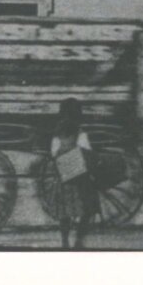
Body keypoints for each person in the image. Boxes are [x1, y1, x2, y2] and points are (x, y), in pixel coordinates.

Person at [49, 98, 99, 250]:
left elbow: (53, 154)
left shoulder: (57, 135)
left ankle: (64, 241)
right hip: (80, 179)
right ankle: (79, 240)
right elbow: (88, 153)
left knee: (65, 213)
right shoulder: (80, 133)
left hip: (64, 179)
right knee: (89, 208)